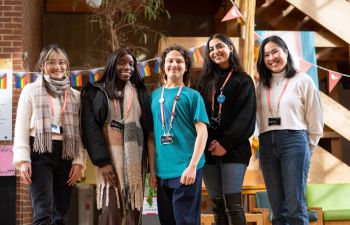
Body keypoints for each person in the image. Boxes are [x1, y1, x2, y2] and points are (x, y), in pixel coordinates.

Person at [13, 44, 86, 225]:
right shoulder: (30, 90)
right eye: (51, 62)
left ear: (67, 66)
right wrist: (23, 160)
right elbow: (21, 127)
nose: (57, 67)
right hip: (39, 151)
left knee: (61, 213)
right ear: (42, 66)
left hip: (66, 153)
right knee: (43, 211)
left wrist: (79, 161)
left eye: (62, 62)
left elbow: (80, 132)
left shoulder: (76, 96)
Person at [256, 35, 323, 225]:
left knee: (295, 206)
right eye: (266, 54)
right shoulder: (260, 86)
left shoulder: (303, 80)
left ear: (286, 51)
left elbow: (315, 116)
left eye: (275, 51)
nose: (271, 58)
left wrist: (309, 147)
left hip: (294, 141)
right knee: (277, 209)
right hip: (267, 143)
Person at [80, 49, 150, 225]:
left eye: (131, 64)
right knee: (110, 211)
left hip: (135, 164)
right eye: (121, 63)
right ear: (112, 65)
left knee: (134, 213)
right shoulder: (95, 92)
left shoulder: (140, 92)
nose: (127, 67)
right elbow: (90, 129)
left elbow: (148, 129)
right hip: (108, 161)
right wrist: (102, 162)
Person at [195, 33, 256, 225]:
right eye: (211, 49)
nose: (215, 52)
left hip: (234, 149)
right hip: (208, 150)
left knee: (233, 206)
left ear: (230, 48)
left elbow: (245, 118)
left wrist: (225, 143)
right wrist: (208, 143)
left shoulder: (243, 80)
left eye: (220, 46)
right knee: (217, 207)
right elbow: (198, 116)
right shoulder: (202, 82)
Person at [148, 45, 209, 225]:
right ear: (163, 66)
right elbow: (151, 137)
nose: (174, 64)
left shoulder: (193, 96)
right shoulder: (154, 96)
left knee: (186, 222)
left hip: (186, 170)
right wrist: (152, 171)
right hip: (162, 172)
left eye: (179, 61)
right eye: (170, 61)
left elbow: (202, 132)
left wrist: (192, 166)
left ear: (186, 67)